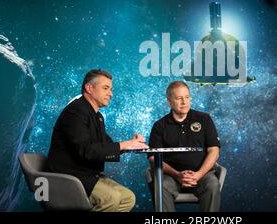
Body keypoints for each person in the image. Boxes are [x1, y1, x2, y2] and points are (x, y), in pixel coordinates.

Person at [46, 69, 149, 212]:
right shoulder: (75, 111)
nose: (111, 94)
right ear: (89, 88)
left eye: (111, 89)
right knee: (111, 198)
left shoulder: (97, 116)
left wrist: (131, 144)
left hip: (88, 175)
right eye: (106, 88)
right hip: (69, 177)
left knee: (128, 198)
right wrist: (124, 145)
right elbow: (86, 151)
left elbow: (106, 147)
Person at [148, 81, 221, 212]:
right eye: (179, 98)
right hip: (171, 177)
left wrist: (198, 175)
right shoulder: (159, 126)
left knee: (213, 184)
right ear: (169, 101)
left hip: (202, 175)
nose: (184, 102)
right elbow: (153, 158)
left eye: (187, 97)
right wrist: (177, 175)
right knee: (161, 185)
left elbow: (214, 151)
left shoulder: (204, 119)